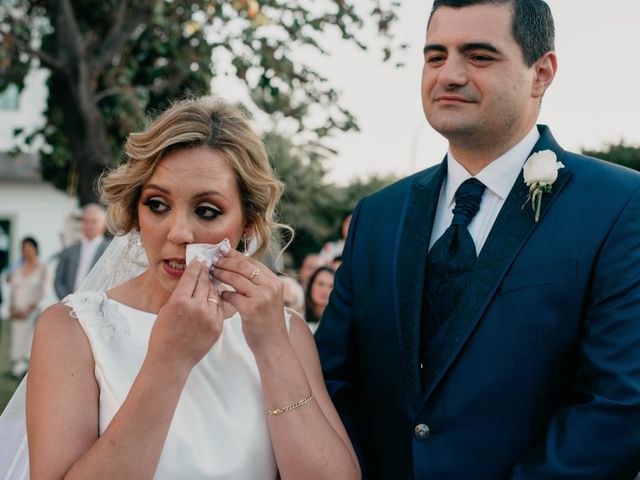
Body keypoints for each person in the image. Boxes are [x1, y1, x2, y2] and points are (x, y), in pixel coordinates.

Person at [315, 0, 640, 478]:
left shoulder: (619, 204)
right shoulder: (377, 215)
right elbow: (335, 382)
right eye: (435, 56)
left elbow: (620, 403)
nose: (449, 74)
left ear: (542, 72)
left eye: (479, 56)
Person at [9, 97, 360, 479]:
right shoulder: (73, 328)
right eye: (157, 205)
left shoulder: (284, 330)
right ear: (135, 211)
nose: (178, 233)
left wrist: (273, 346)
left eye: (207, 211)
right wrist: (170, 361)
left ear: (247, 224)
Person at [6, 237, 49, 378]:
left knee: (29, 340)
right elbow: (12, 290)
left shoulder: (42, 268)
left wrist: (30, 308)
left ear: (35, 249)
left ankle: (27, 369)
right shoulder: (18, 268)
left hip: (32, 311)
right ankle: (17, 367)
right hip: (17, 311)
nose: (27, 251)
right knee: (17, 338)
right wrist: (12, 307)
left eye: (29, 248)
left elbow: (44, 292)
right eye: (24, 248)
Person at [53, 204, 110, 299]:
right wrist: (68, 300)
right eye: (86, 221)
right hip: (69, 305)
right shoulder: (68, 251)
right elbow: (59, 281)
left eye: (94, 221)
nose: (89, 225)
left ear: (103, 224)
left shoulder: (109, 250)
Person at [304, 266, 335, 334]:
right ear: (311, 286)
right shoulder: (298, 316)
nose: (325, 290)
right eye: (320, 284)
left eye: (331, 286)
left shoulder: (340, 322)